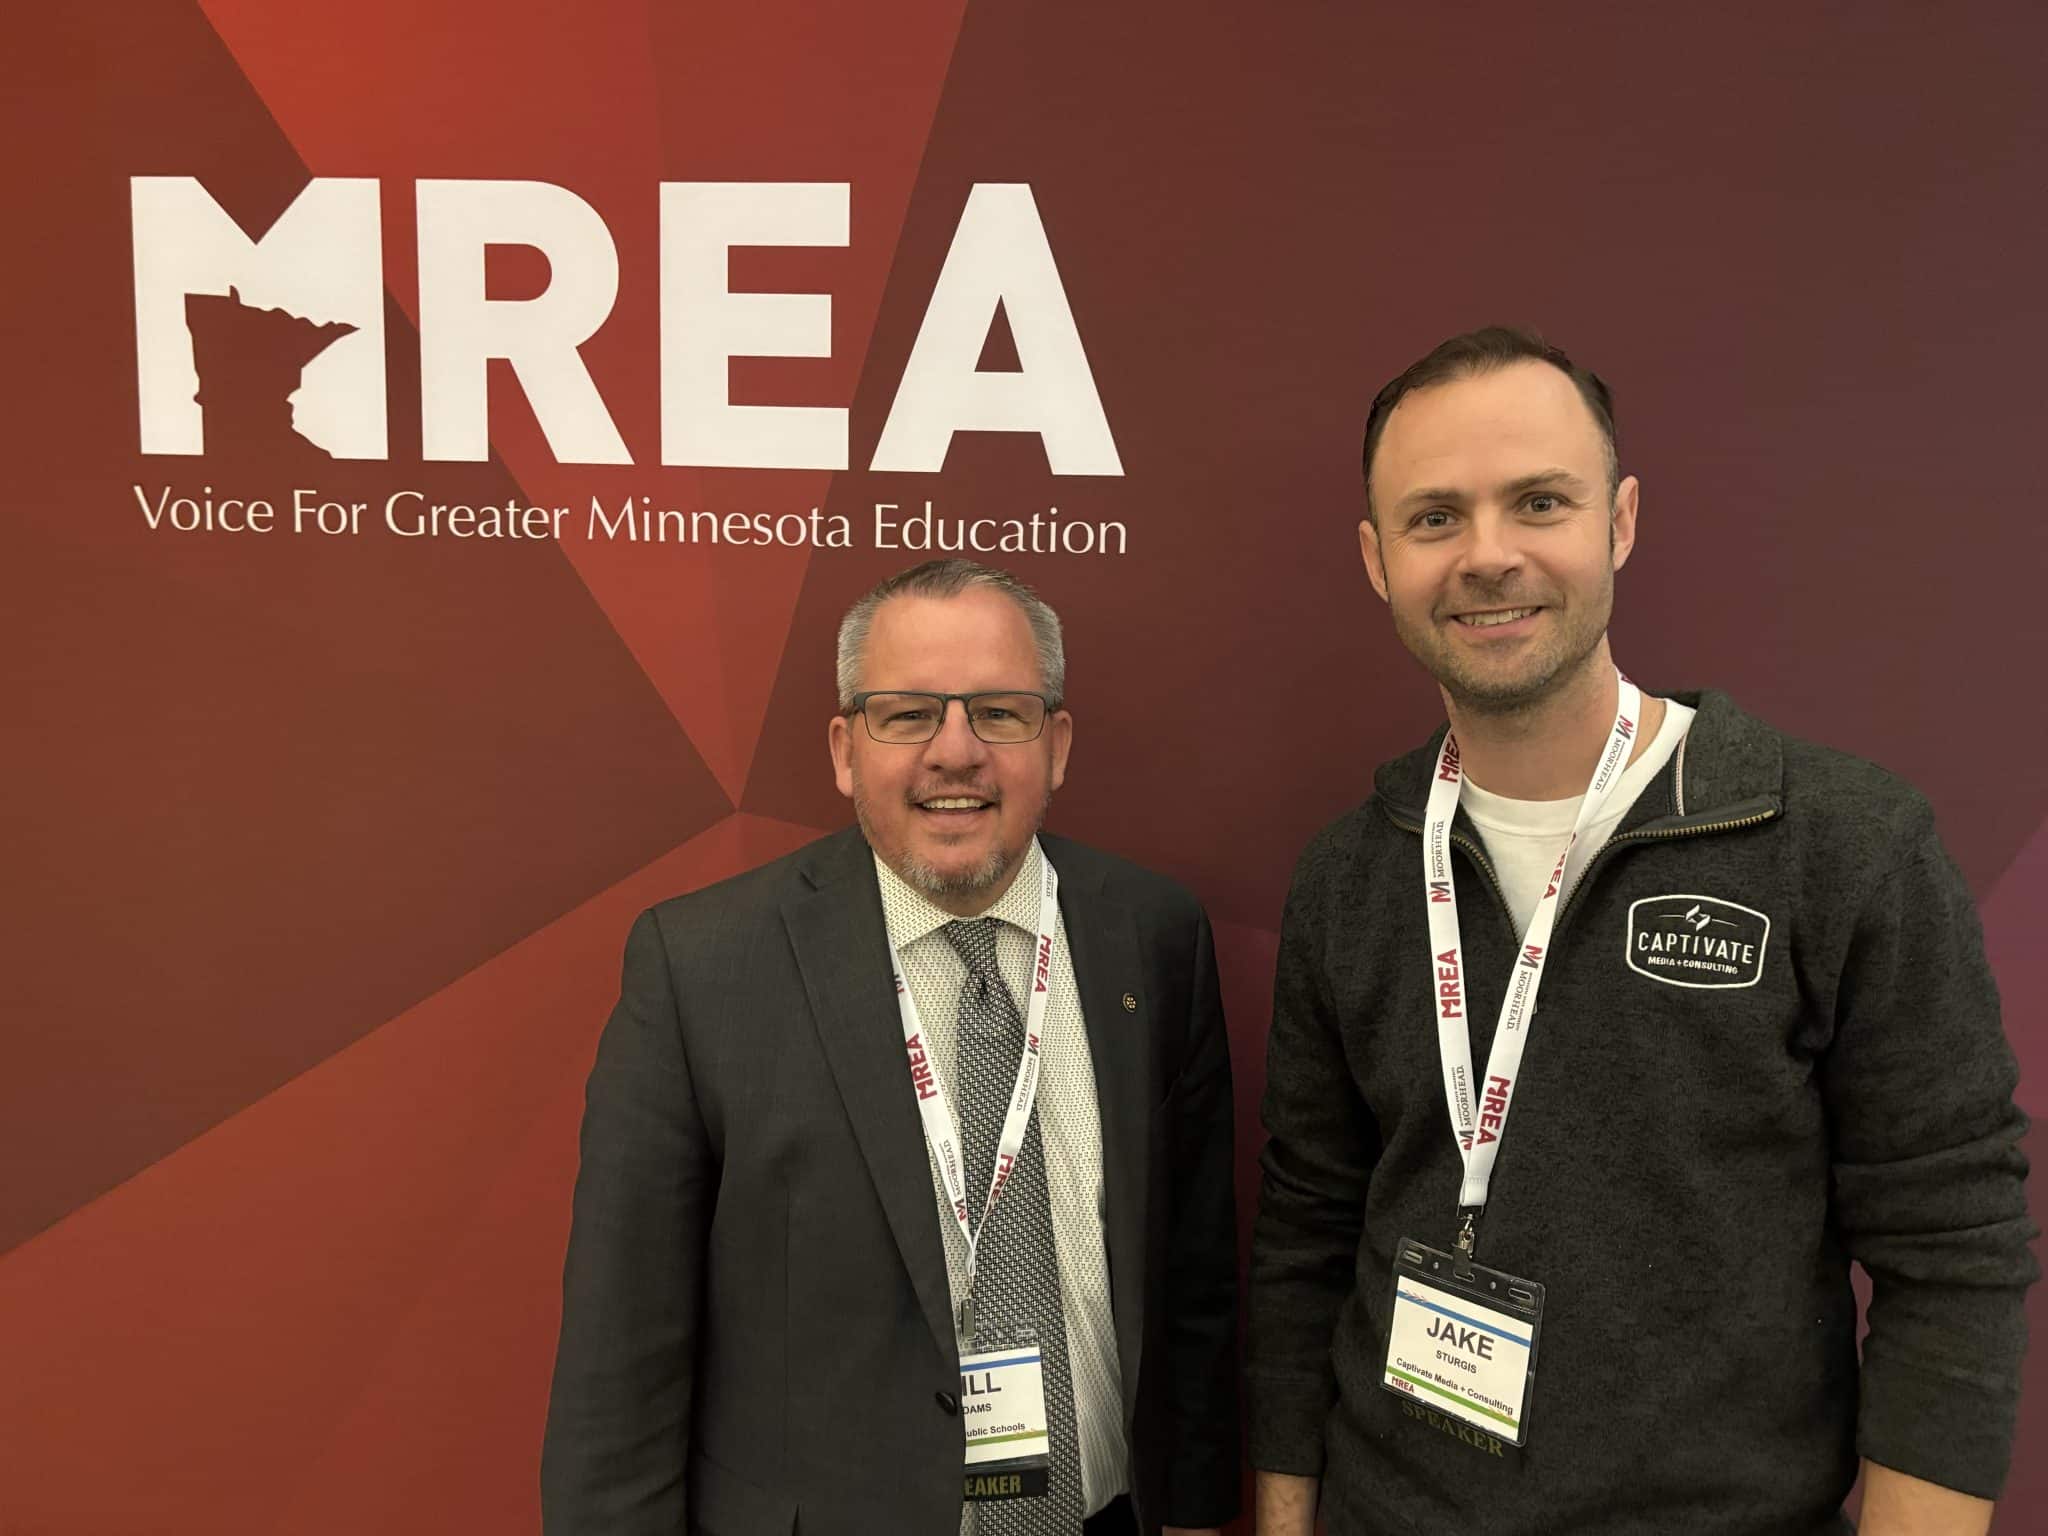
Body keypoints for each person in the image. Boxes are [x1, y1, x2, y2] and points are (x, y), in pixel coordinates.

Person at [1248, 327, 2036, 1535]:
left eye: (1537, 502)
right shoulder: (1350, 874)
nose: (1488, 556)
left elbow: (1954, 1257)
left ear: (1617, 523)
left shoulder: (1831, 842)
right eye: (1433, 519)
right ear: (1374, 559)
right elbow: (1306, 1237)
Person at [542, 558, 1240, 1536]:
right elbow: (621, 1360)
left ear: (1057, 742)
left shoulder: (1152, 935)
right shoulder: (702, 968)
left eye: (998, 712)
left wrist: (1201, 1513)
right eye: (906, 714)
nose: (954, 752)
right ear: (841, 749)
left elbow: (1195, 1284)